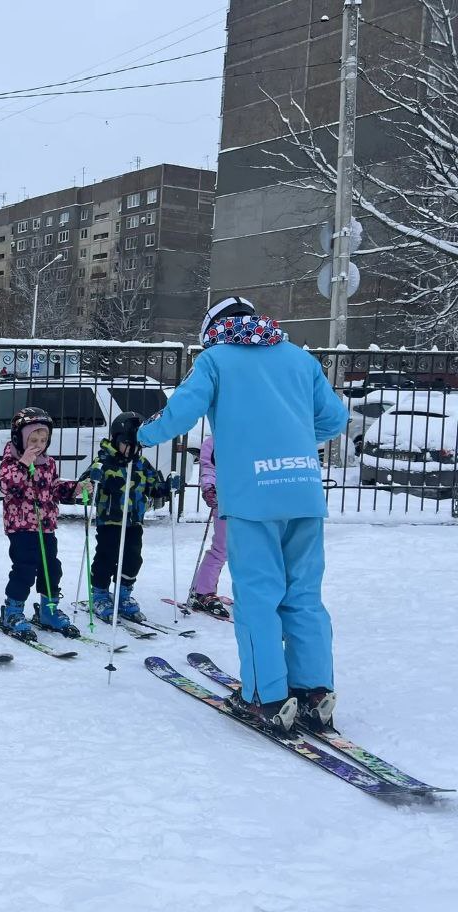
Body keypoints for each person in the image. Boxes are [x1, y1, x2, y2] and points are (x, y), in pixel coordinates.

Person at [136, 296, 349, 734]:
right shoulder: (298, 357)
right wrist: (291, 439)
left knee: (258, 598)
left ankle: (265, 697)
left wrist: (141, 431)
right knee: (304, 594)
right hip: (304, 491)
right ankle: (314, 692)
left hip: (253, 497)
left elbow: (178, 415)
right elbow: (335, 418)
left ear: (212, 329)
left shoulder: (215, 360)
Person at [84, 412, 182, 623]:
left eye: (138, 445)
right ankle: (100, 593)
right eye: (129, 444)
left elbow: (154, 487)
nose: (134, 449)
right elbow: (85, 487)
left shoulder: (142, 464)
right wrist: (93, 482)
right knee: (106, 557)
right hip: (109, 521)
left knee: (133, 558)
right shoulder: (103, 461)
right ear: (117, 439)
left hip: (133, 522)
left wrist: (167, 487)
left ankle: (123, 594)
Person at [0, 407, 81, 638]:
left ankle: (48, 610)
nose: (39, 444)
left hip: (46, 526)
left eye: (43, 439)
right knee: (24, 568)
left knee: (51, 568)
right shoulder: (11, 461)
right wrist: (24, 463)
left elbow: (53, 488)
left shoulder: (48, 463)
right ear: (19, 438)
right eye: (33, 439)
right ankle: (12, 611)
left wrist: (74, 488)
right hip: (21, 527)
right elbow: (7, 486)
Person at [187, 434, 230, 617]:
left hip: (254, 501)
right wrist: (209, 487)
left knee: (254, 550)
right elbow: (208, 468)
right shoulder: (217, 439)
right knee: (222, 547)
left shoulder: (255, 431)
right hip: (226, 501)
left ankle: (253, 594)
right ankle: (203, 592)